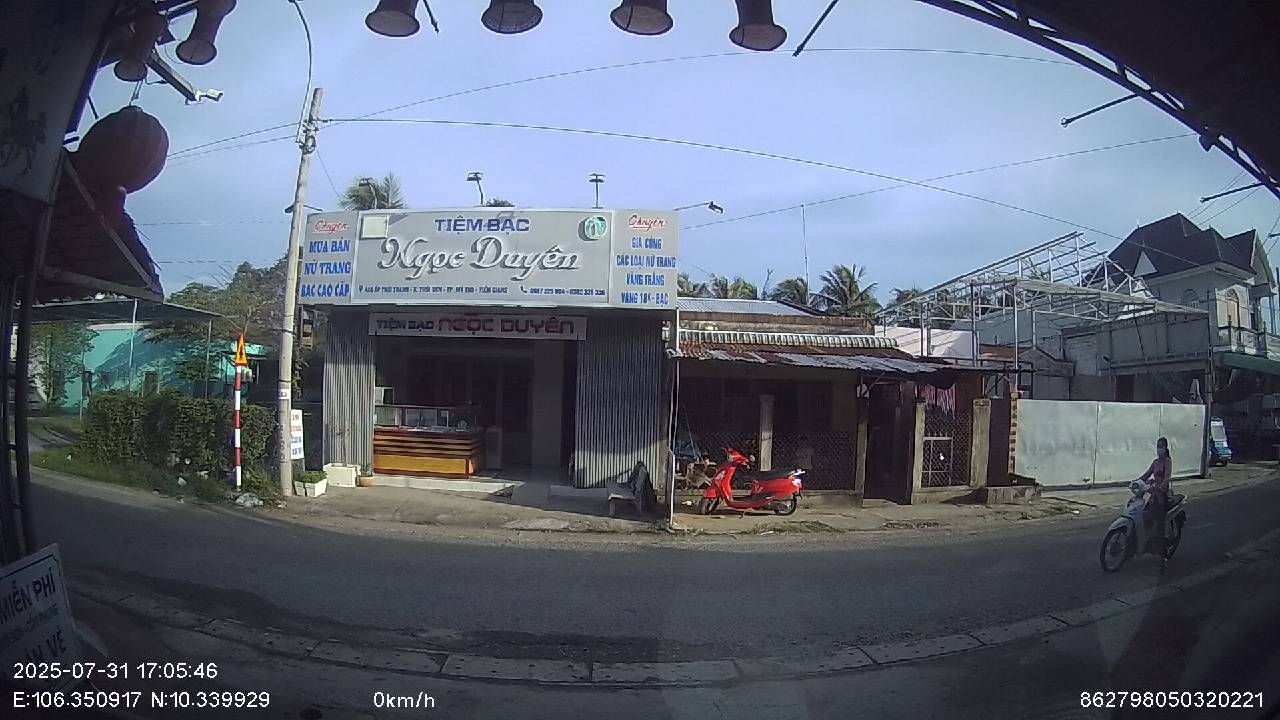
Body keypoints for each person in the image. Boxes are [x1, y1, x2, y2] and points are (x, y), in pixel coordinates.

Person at [1137, 436, 1173, 563]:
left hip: (1162, 496)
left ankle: (1163, 555)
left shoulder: (1167, 462)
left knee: (1160, 527)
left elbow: (1167, 477)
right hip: (1153, 496)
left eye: (1161, 447)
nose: (1159, 450)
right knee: (1144, 515)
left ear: (1165, 448)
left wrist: (1160, 486)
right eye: (1158, 447)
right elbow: (1147, 474)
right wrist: (1137, 482)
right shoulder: (1155, 462)